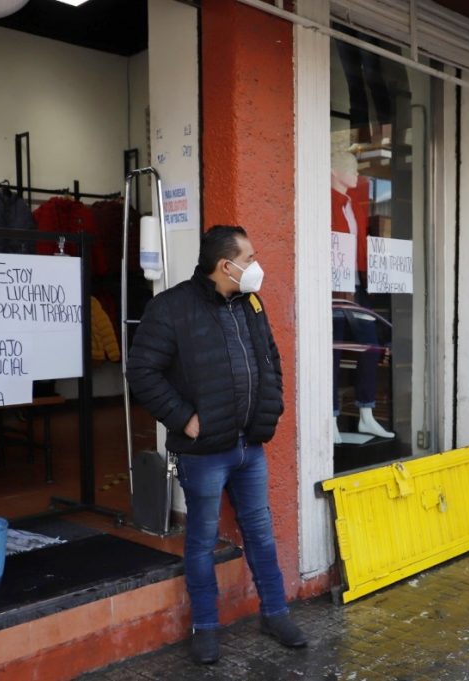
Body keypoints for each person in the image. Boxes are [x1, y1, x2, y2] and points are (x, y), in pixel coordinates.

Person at [126, 224, 306, 665]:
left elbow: (271, 359)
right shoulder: (170, 308)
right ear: (226, 266)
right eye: (250, 258)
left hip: (250, 444)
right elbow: (141, 373)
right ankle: (205, 627)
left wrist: (271, 407)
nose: (256, 266)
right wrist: (184, 419)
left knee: (261, 534)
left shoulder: (251, 304)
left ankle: (275, 613)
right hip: (204, 453)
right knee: (202, 540)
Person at [331, 150, 394, 442]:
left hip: (355, 287)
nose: (358, 175)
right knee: (332, 352)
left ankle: (366, 415)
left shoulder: (353, 205)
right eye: (351, 168)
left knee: (370, 346)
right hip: (332, 289)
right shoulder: (327, 204)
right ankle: (330, 416)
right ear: (333, 171)